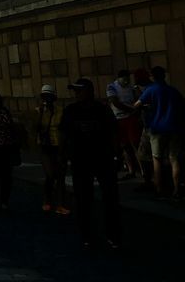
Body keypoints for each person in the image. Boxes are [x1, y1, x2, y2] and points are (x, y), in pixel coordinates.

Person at [60, 78, 121, 249]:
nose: (77, 94)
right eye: (76, 91)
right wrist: (63, 157)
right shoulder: (71, 110)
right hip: (81, 160)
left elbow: (114, 132)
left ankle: (112, 234)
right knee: (83, 199)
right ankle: (87, 234)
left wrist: (116, 155)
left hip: (102, 158)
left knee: (109, 198)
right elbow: (63, 135)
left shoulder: (102, 110)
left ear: (89, 91)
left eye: (80, 90)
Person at [135, 66, 185, 197]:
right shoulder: (173, 90)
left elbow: (137, 105)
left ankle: (159, 188)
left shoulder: (151, 90)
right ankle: (177, 188)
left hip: (157, 128)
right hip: (174, 128)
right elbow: (184, 107)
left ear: (152, 76)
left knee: (156, 159)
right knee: (174, 159)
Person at [34, 84, 69, 215]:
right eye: (44, 96)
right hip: (45, 146)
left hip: (58, 145)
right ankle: (47, 199)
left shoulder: (61, 111)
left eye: (49, 96)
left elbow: (63, 129)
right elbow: (35, 128)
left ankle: (60, 204)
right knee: (50, 174)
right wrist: (40, 113)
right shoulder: (39, 111)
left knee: (60, 176)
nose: (46, 99)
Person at [106, 68, 141, 178]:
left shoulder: (132, 87)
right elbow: (114, 102)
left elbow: (138, 98)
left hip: (131, 119)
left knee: (135, 144)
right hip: (119, 119)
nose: (126, 81)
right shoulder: (112, 87)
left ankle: (143, 171)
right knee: (125, 146)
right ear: (119, 78)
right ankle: (131, 171)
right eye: (124, 79)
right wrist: (131, 109)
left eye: (127, 79)